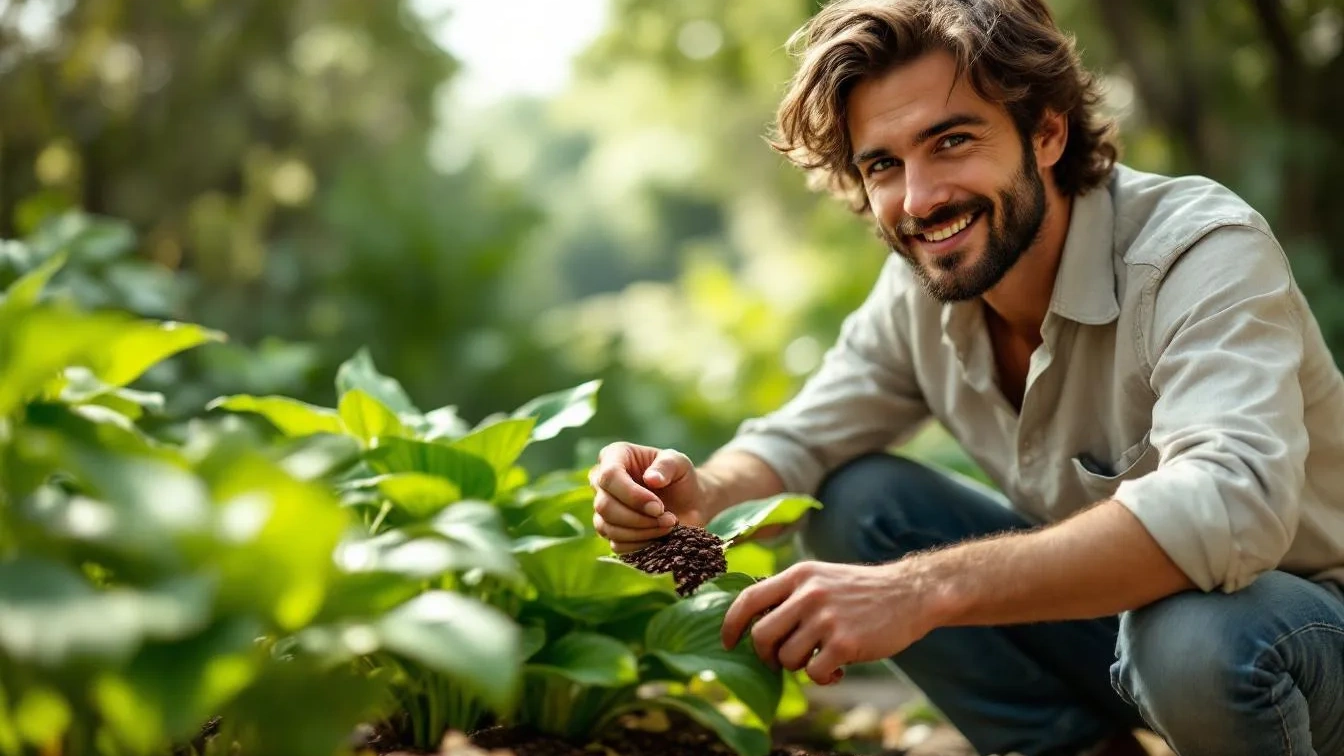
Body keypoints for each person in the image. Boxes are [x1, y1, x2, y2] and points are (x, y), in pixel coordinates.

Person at [588, 1, 1344, 755]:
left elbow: (1228, 501)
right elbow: (799, 443)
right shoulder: (921, 290)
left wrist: (917, 591)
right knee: (856, 504)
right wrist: (701, 496)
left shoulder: (1198, 251)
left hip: (1302, 634)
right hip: (1123, 636)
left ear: (1046, 131)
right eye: (883, 164)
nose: (919, 200)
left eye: (950, 141)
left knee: (1192, 637)